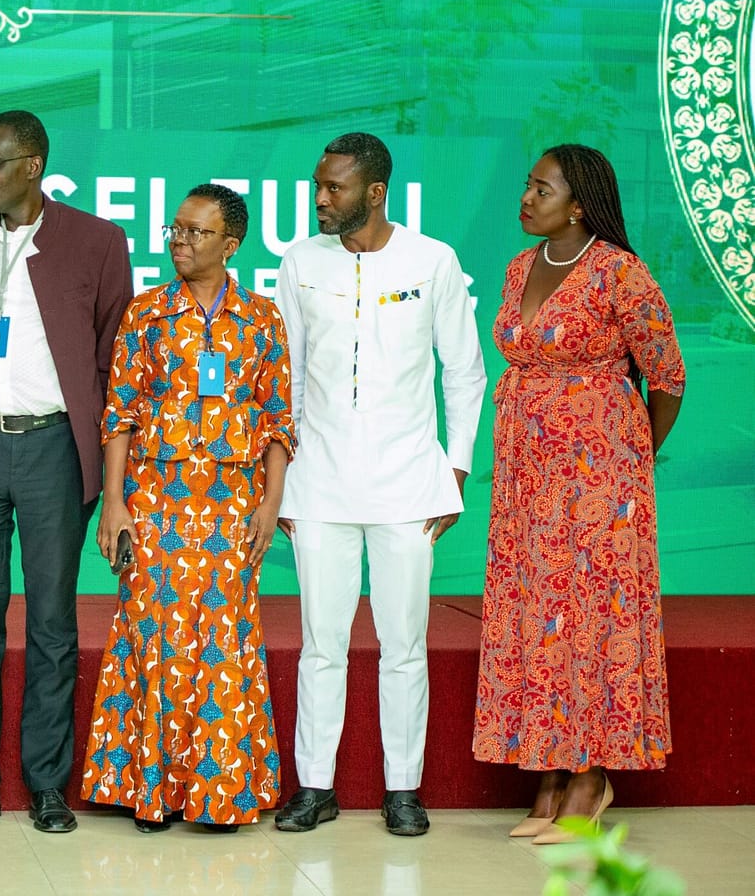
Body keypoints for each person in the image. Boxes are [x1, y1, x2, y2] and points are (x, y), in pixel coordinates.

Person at [0, 109, 133, 834]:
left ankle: (46, 784)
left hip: (52, 449)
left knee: (51, 622)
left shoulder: (97, 241)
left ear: (33, 165)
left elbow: (113, 360)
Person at [273, 132, 486, 837]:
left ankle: (403, 790)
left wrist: (454, 469)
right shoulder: (299, 261)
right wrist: (285, 477)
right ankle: (314, 787)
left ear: (374, 192)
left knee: (404, 645)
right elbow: (287, 374)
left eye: (333, 187)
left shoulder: (433, 260)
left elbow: (464, 370)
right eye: (317, 185)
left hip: (408, 484)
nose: (320, 198)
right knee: (320, 645)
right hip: (318, 483)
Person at [473, 144, 685, 843]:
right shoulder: (518, 267)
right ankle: (551, 771)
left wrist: (631, 456)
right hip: (526, 480)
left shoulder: (620, 271)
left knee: (594, 617)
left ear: (579, 205)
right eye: (527, 185)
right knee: (538, 614)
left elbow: (667, 376)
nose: (526, 198)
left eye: (542, 189)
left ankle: (592, 777)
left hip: (601, 482)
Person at [81, 184, 294, 833]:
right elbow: (118, 412)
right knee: (155, 634)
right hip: (154, 501)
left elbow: (277, 419)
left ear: (230, 245)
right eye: (175, 229)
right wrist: (113, 503)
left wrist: (270, 504)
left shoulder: (261, 318)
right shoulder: (146, 312)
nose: (179, 241)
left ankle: (217, 792)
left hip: (232, 504)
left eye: (196, 232)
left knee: (223, 638)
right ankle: (152, 791)